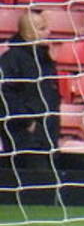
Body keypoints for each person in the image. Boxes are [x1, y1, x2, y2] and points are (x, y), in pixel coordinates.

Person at [1, 11, 59, 168]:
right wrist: (28, 123)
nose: (49, 32)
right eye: (42, 28)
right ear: (28, 33)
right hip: (24, 141)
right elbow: (5, 95)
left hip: (47, 139)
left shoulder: (45, 60)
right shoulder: (12, 59)